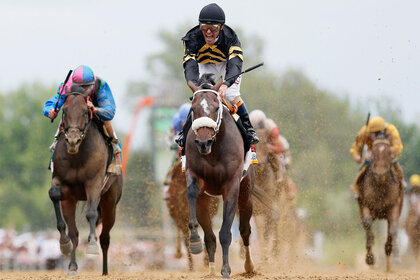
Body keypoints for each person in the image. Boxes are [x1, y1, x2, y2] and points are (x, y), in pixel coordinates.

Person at [175, 3, 259, 151]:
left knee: (232, 94)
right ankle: (185, 132)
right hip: (204, 64)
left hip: (226, 64)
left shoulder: (231, 38)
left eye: (212, 29)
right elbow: (190, 65)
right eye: (203, 28)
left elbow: (234, 64)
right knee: (200, 95)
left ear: (220, 27)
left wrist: (226, 84)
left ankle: (249, 129)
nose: (207, 32)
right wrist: (192, 83)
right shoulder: (192, 38)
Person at [43, 65, 121, 172]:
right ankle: (55, 147)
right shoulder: (67, 86)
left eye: (85, 87)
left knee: (106, 122)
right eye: (79, 87)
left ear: (92, 84)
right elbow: (53, 102)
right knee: (67, 115)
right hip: (76, 110)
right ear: (74, 84)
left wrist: (96, 109)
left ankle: (115, 147)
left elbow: (110, 111)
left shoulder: (101, 85)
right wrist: (50, 111)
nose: (82, 90)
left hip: (96, 108)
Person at [349, 116, 404, 197]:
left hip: (388, 153)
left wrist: (387, 151)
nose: (376, 135)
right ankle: (357, 188)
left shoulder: (391, 130)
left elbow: (398, 146)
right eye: (374, 133)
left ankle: (401, 185)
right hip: (371, 151)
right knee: (363, 169)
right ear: (370, 131)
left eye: (379, 133)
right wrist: (357, 157)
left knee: (396, 166)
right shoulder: (364, 132)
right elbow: (355, 148)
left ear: (383, 130)